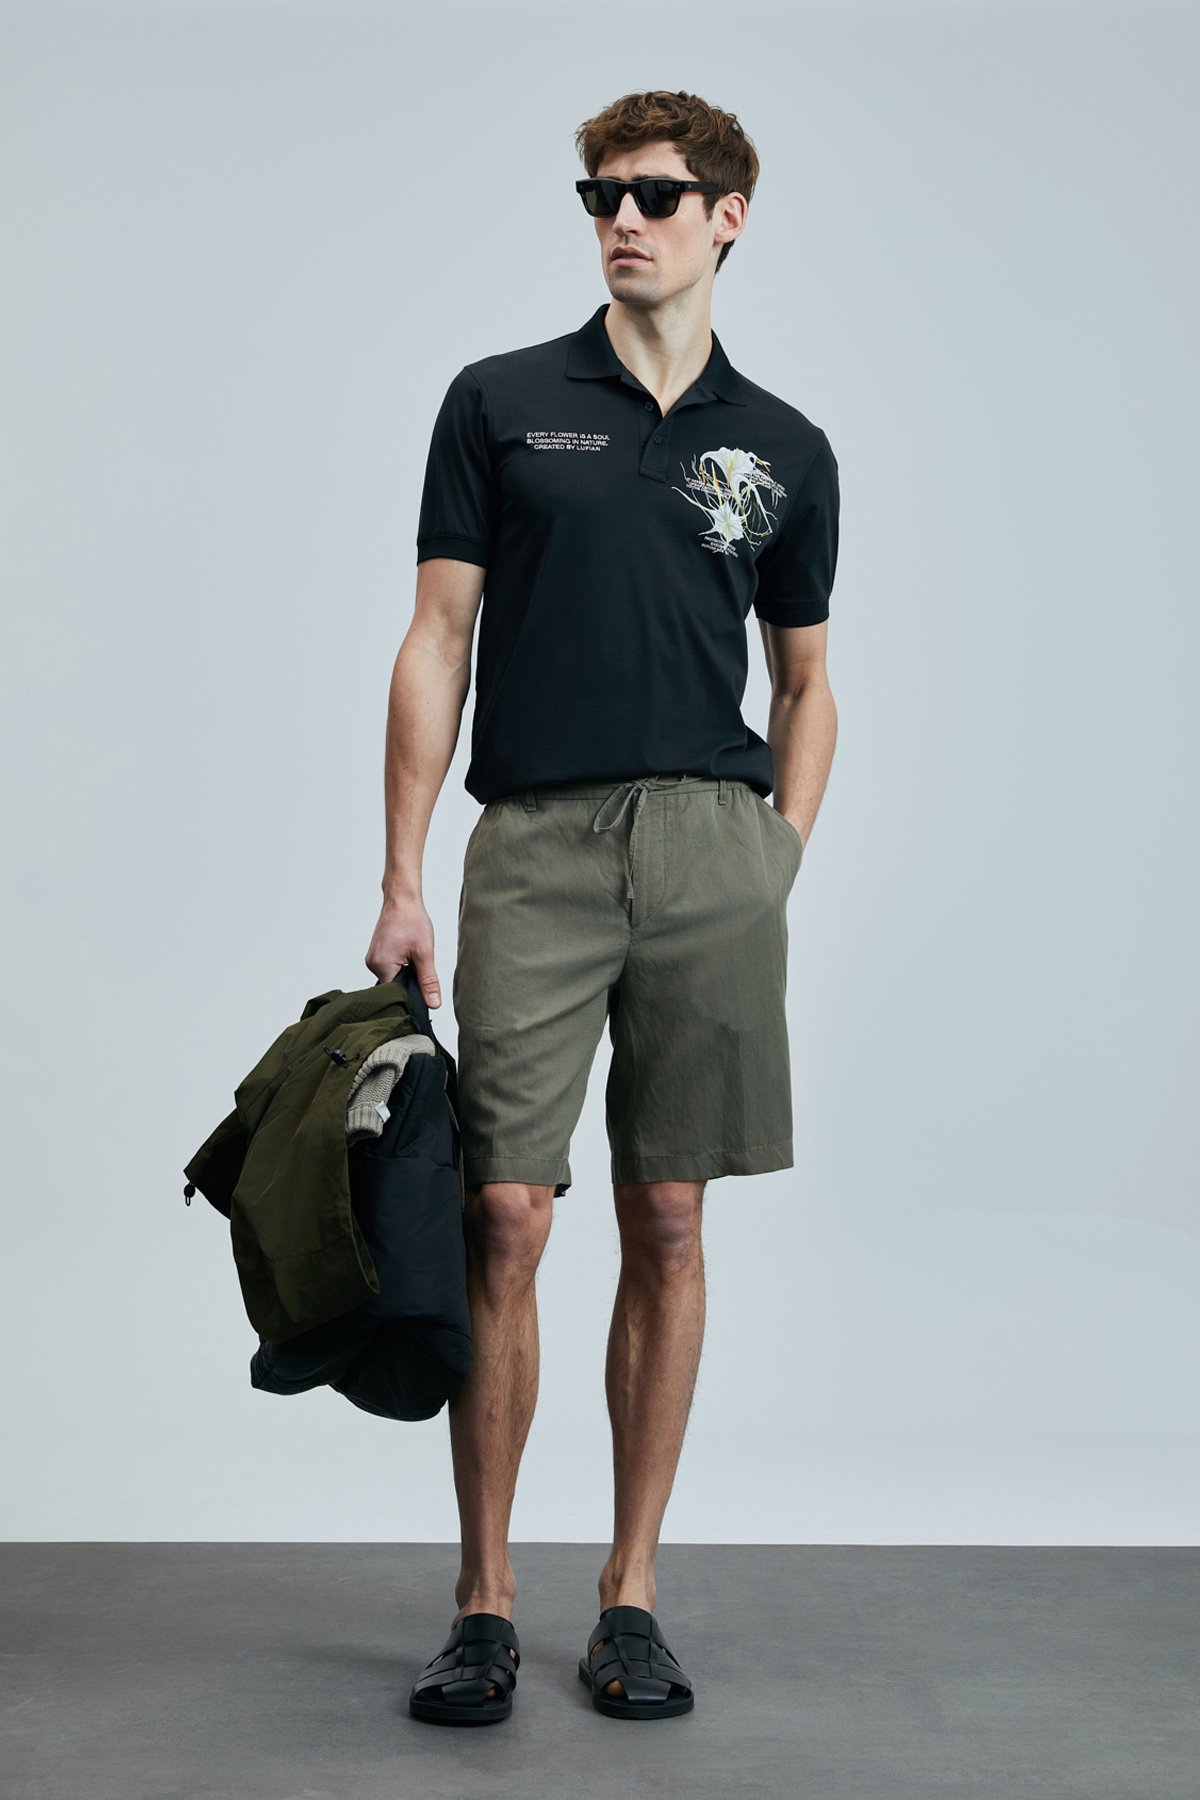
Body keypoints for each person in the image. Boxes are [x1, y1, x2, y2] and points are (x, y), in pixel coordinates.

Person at [365, 87, 840, 1724]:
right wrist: (403, 875)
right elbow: (437, 638)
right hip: (539, 847)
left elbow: (808, 682)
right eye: (600, 195)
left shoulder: (784, 446)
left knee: (670, 1216)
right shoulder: (502, 402)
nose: (622, 219)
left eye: (655, 195)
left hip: (712, 852)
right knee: (503, 1212)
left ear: (728, 217)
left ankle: (630, 1593)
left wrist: (775, 855)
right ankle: (483, 1602)